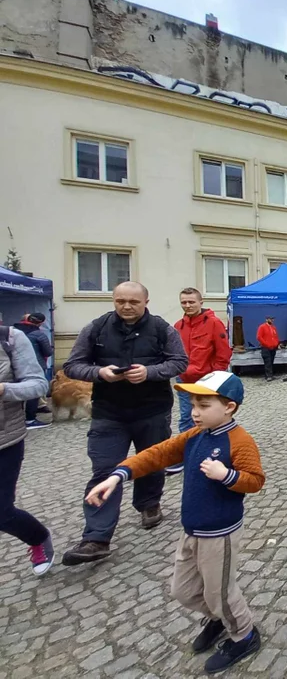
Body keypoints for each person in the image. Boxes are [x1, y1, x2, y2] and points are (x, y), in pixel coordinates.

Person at [85, 371, 264, 674]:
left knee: (220, 593)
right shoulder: (195, 436)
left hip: (220, 534)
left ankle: (244, 635)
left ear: (229, 406)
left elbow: (255, 480)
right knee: (183, 590)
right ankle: (221, 619)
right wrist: (119, 475)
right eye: (193, 404)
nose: (194, 412)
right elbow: (159, 453)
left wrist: (227, 476)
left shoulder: (239, 440)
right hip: (192, 529)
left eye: (204, 405)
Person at [61, 281, 188, 566]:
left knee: (152, 461)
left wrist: (151, 371)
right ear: (114, 301)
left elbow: (179, 362)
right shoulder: (96, 328)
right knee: (105, 470)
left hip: (152, 409)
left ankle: (149, 503)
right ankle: (96, 537)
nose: (127, 307)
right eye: (121, 301)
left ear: (146, 301)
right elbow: (72, 366)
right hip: (109, 412)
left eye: (133, 302)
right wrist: (100, 372)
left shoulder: (162, 329)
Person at [0, 324, 54, 575]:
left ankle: (37, 537)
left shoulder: (10, 338)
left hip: (5, 440)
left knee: (2, 512)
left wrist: (4, 389)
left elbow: (38, 385)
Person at [169, 288, 232, 476]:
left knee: (213, 418)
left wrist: (214, 377)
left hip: (206, 380)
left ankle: (214, 453)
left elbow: (223, 353)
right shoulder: (178, 326)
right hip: (184, 379)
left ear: (200, 302)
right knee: (187, 417)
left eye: (191, 302)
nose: (187, 305)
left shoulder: (213, 323)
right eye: (184, 302)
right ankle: (189, 454)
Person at [13, 313, 53, 429]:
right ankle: (30, 420)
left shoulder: (13, 331)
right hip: (34, 366)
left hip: (15, 366)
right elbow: (47, 352)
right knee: (33, 392)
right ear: (41, 322)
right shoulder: (38, 334)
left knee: (16, 391)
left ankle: (18, 419)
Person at [256, 317, 279, 381]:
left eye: (272, 319)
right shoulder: (262, 327)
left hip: (273, 347)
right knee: (267, 361)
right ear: (266, 319)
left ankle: (269, 375)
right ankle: (269, 375)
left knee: (271, 361)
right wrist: (266, 344)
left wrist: (276, 343)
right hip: (265, 348)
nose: (272, 320)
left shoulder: (273, 327)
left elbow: (276, 336)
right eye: (270, 319)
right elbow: (259, 337)